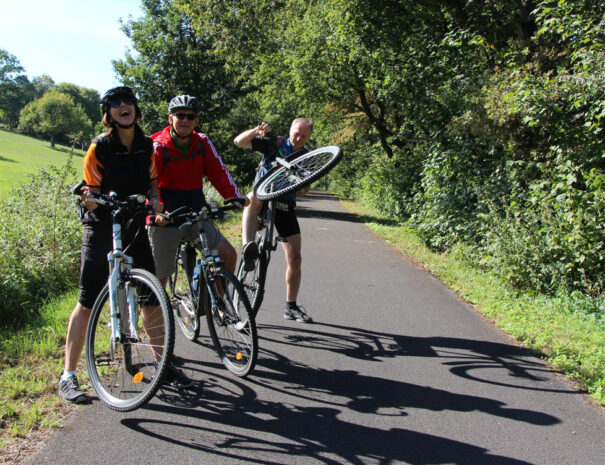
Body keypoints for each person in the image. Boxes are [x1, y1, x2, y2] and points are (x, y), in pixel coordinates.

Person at [58, 87, 191, 403]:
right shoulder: (99, 148)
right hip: (101, 226)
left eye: (127, 101)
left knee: (150, 297)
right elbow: (89, 191)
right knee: (88, 298)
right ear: (109, 114)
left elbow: (152, 183)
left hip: (132, 222)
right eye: (115, 103)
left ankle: (162, 363)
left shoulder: (147, 146)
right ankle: (68, 376)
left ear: (135, 109)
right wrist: (90, 201)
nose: (122, 106)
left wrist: (156, 202)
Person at [148, 95, 247, 293]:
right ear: (170, 119)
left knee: (228, 254)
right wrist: (155, 210)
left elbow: (218, 171)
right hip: (165, 218)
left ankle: (220, 305)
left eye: (190, 116)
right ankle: (161, 318)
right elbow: (148, 184)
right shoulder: (158, 146)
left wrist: (233, 195)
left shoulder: (201, 142)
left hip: (195, 216)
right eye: (180, 115)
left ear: (196, 121)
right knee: (159, 280)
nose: (185, 120)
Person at [234, 118, 314, 323]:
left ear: (309, 137)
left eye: (304, 136)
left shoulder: (307, 157)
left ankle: (291, 307)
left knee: (296, 259)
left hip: (285, 205)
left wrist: (301, 185)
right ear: (290, 130)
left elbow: (305, 190)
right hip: (263, 197)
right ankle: (249, 247)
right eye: (296, 133)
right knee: (252, 198)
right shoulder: (274, 143)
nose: (298, 139)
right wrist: (255, 131)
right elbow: (239, 142)